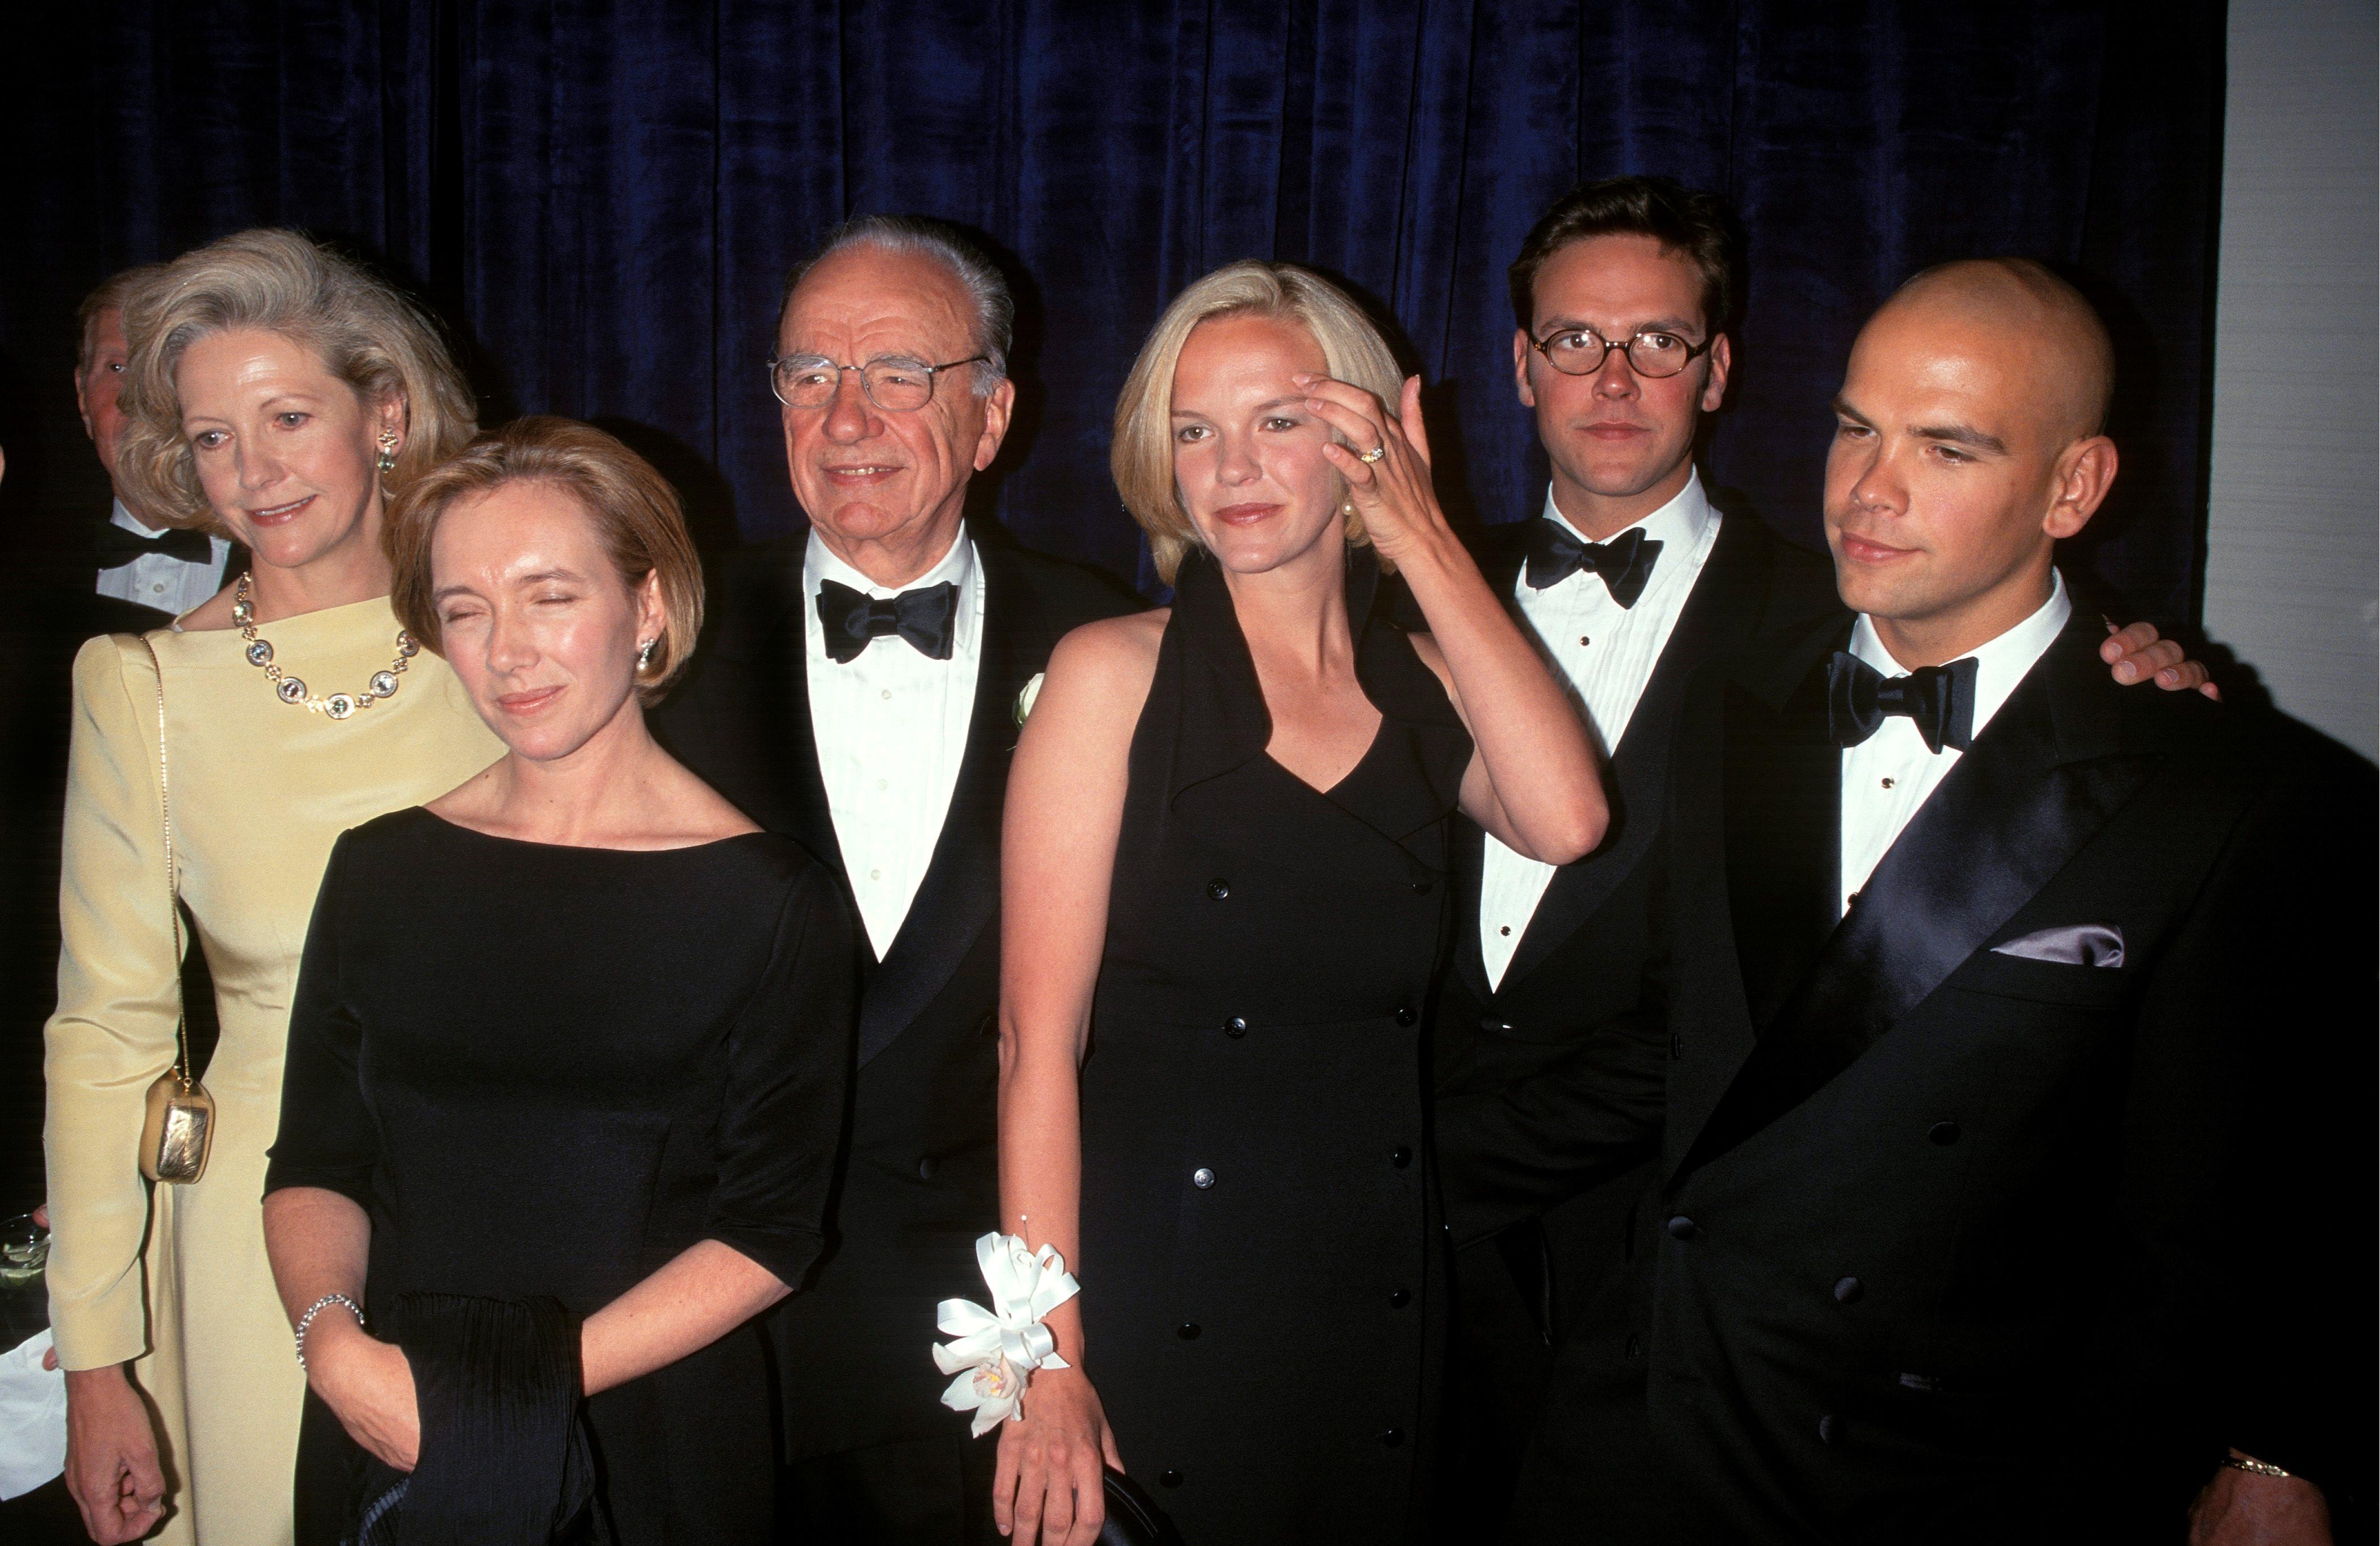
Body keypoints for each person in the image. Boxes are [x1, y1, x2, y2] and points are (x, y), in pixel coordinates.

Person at [1423, 177, 2218, 1536]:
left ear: (1720, 367)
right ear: (1520, 363)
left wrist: (2137, 671)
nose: (1614, 378)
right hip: (1410, 1270)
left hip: (1690, 1275)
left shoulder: (1848, 611)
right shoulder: (1406, 595)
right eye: (1574, 340)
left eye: (1661, 340)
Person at [1586, 259, 2372, 1541]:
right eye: (1855, 428)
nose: (1868, 491)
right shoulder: (1729, 710)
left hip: (1967, 1477)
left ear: (2076, 486)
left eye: (1947, 448)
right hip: (1657, 1439)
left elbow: (2276, 1174)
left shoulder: (2236, 795)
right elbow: (1670, 1057)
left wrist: (2277, 1450)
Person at [993, 260, 1606, 1546]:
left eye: (1279, 420)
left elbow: (1567, 818)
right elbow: (1033, 1046)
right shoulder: (1110, 674)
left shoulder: (1430, 678)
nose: (1232, 466)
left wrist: (1423, 532)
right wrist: (1046, 1359)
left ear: (1365, 433)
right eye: (1196, 430)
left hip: (1375, 1296)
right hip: (1162, 1292)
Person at [261, 417, 854, 1541]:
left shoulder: (769, 900)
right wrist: (332, 1345)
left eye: (550, 596)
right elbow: (317, 1157)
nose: (508, 652)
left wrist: (499, 1399)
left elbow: (770, 1235)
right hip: (386, 1423)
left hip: (647, 1447)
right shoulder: (379, 867)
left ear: (649, 607)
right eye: (466, 610)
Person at [648, 215, 1137, 1544]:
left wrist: (1054, 1347)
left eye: (898, 373)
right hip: (703, 1337)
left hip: (979, 1348)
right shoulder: (661, 640)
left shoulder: (1111, 644)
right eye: (809, 373)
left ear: (992, 417)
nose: (846, 414)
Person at [41, 229, 500, 1546]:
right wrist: (96, 1358)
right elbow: (107, 1038)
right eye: (214, 439)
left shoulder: (507, 635)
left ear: (389, 413)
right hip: (248, 1223)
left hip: (510, 1188)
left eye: (288, 416)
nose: (253, 472)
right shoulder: (145, 688)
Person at [73, 266, 238, 627]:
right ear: (83, 397)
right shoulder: (19, 574)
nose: (139, 399)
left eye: (167, 367)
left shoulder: (299, 562)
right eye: (118, 368)